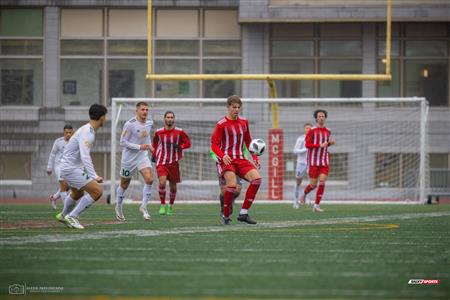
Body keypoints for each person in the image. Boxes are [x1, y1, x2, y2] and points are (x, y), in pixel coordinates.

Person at [211, 95, 262, 225]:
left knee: (257, 180)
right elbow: (214, 145)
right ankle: (226, 215)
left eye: (238, 107)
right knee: (232, 186)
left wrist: (255, 157)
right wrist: (222, 156)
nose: (236, 110)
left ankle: (244, 213)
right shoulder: (221, 124)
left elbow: (248, 141)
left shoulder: (244, 122)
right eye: (234, 107)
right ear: (228, 108)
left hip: (240, 159)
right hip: (226, 160)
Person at [56, 104, 107, 229]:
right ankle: (72, 216)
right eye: (105, 116)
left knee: (77, 193)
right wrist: (94, 176)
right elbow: (85, 156)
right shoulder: (87, 133)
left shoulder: (88, 130)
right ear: (101, 117)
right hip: (71, 168)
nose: (106, 119)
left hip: (69, 166)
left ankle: (63, 215)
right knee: (97, 191)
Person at [115, 102, 154, 221]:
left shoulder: (149, 122)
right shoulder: (129, 124)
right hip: (129, 159)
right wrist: (139, 147)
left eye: (147, 109)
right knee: (124, 184)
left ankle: (144, 207)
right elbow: (122, 142)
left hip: (142, 156)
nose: (145, 112)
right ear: (136, 111)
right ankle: (119, 206)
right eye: (143, 109)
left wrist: (150, 147)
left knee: (149, 179)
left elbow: (146, 137)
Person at [152, 111, 191, 216]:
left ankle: (171, 205)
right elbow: (155, 143)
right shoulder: (158, 132)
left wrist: (180, 146)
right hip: (161, 162)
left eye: (171, 117)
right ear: (164, 119)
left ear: (174, 119)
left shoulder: (180, 132)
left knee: (173, 187)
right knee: (162, 182)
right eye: (168, 117)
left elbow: (188, 143)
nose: (169, 119)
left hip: (174, 162)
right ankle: (162, 205)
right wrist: (154, 154)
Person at [299, 109, 335, 212]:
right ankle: (304, 194)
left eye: (323, 116)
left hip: (324, 161)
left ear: (325, 118)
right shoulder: (312, 131)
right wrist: (320, 145)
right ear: (316, 118)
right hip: (313, 162)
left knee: (322, 182)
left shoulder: (328, 131)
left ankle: (316, 205)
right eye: (319, 116)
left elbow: (325, 144)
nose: (321, 118)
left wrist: (330, 143)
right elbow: (307, 145)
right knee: (313, 185)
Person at [210, 148, 243, 217]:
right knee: (224, 190)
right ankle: (223, 209)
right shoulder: (220, 138)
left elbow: (244, 149)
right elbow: (213, 150)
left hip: (237, 162)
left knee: (237, 189)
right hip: (223, 164)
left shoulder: (240, 137)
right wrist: (219, 159)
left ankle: (229, 202)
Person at [46, 125, 74, 210]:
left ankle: (53, 198)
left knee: (67, 187)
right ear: (64, 132)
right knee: (63, 183)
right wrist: (49, 167)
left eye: (70, 132)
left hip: (69, 166)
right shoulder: (58, 141)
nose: (68, 134)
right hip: (59, 165)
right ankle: (67, 210)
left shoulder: (74, 141)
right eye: (66, 132)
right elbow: (52, 154)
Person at [292, 123, 312, 208]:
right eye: (307, 128)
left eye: (310, 128)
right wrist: (305, 149)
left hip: (311, 163)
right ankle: (295, 201)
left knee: (312, 182)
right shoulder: (301, 139)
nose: (308, 130)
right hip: (301, 163)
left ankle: (305, 198)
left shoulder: (314, 139)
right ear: (304, 129)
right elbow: (295, 151)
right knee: (298, 182)